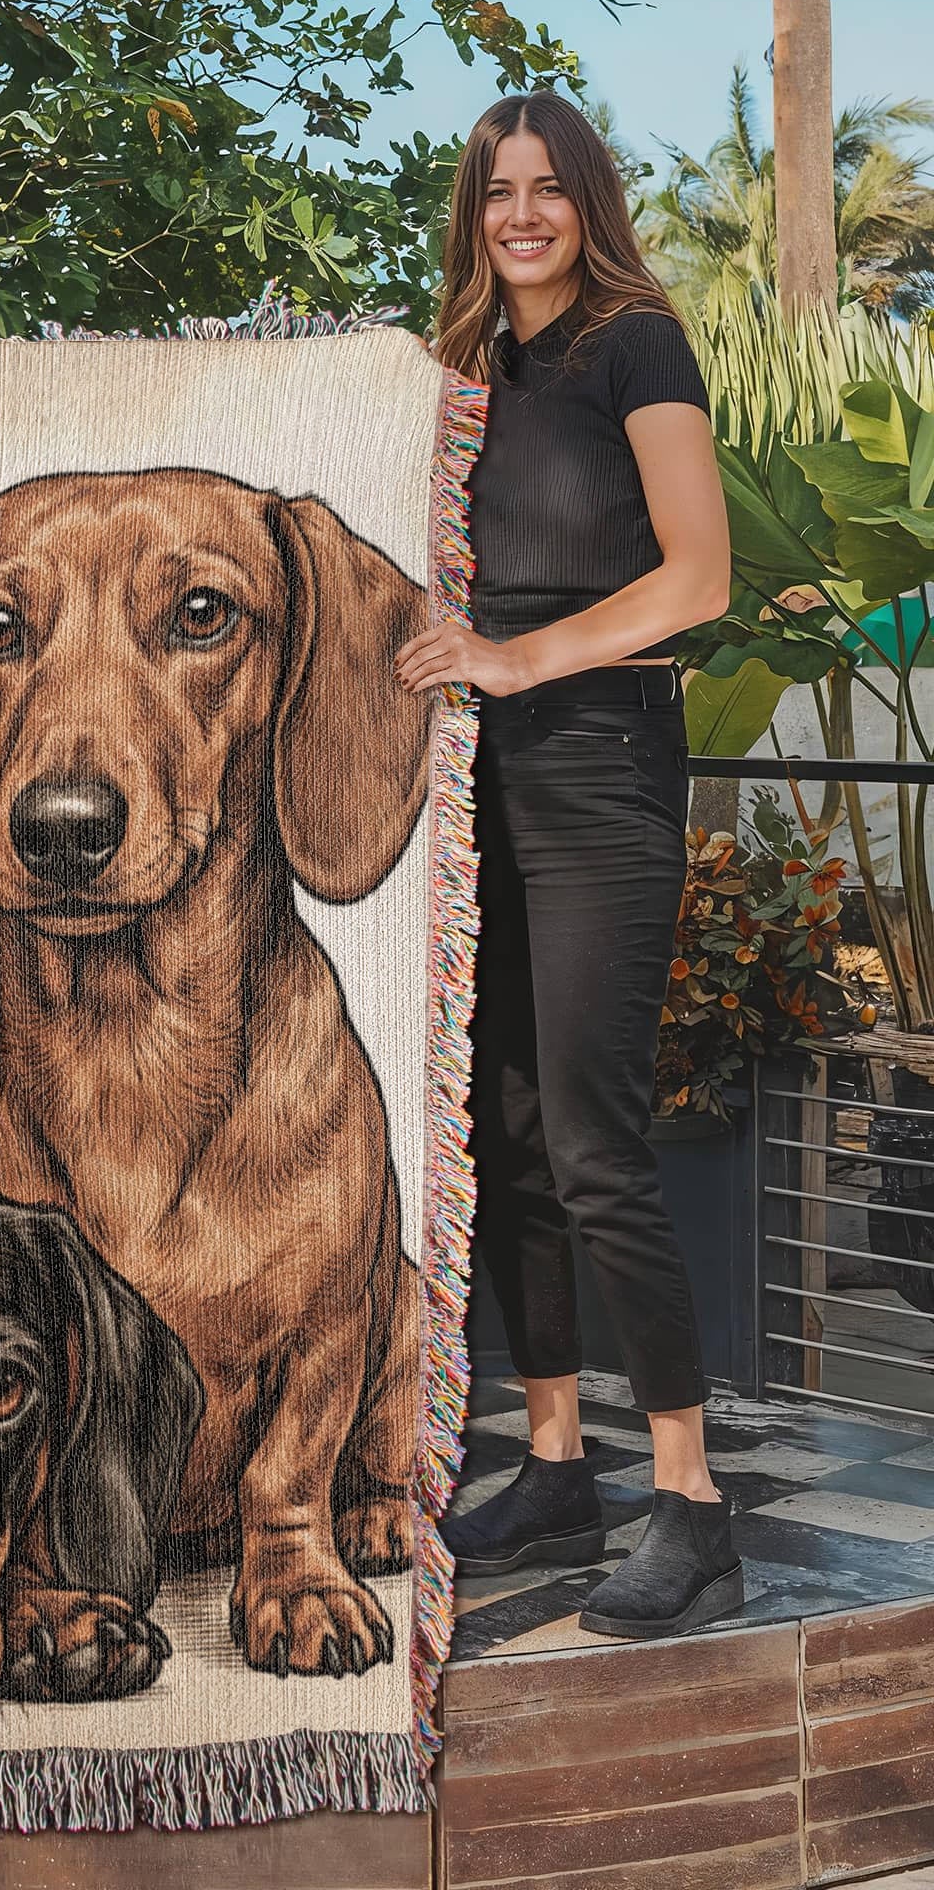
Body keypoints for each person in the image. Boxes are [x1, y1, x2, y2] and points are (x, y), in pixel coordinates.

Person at [395, 92, 739, 1638]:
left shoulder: (636, 341)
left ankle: (691, 1501)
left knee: (596, 1139)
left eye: (546, 188)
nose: (520, 214)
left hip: (601, 766)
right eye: (495, 193)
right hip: (485, 773)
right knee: (510, 1134)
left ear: (586, 197)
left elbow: (701, 574)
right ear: (471, 215)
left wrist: (522, 661)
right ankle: (552, 1461)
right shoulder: (469, 370)